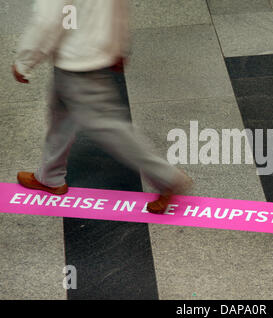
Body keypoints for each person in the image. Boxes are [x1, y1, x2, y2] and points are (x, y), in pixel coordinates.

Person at [12, 0, 191, 214]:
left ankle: (166, 177)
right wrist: (119, 45)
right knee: (61, 117)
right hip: (92, 52)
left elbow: (48, 20)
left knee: (109, 128)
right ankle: (50, 176)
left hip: (76, 61)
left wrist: (24, 61)